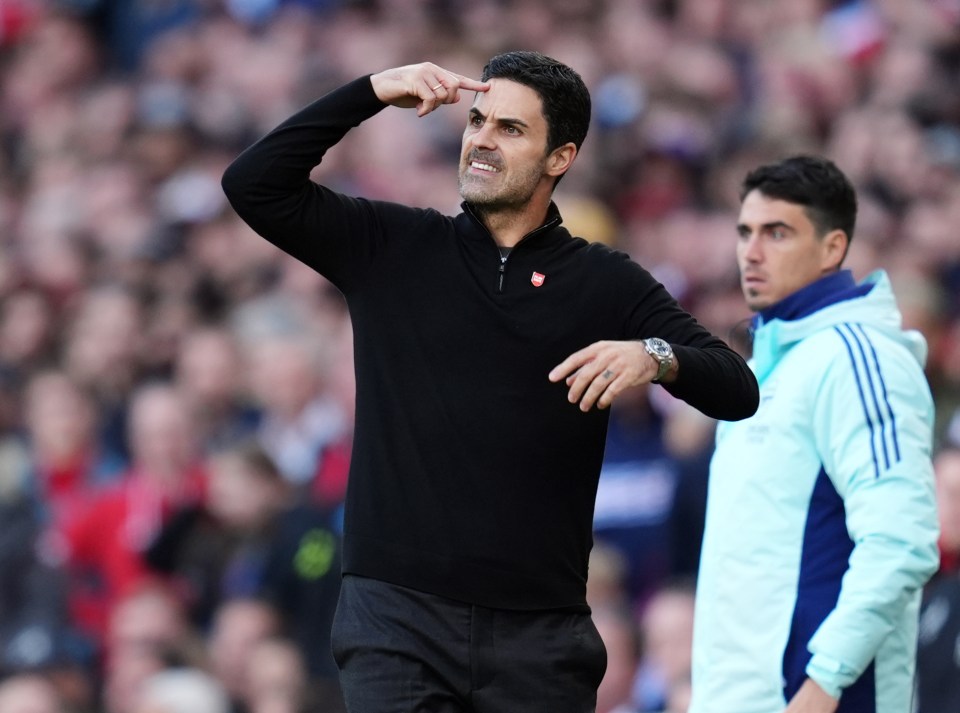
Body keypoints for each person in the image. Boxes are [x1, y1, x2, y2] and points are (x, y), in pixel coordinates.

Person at [222, 50, 759, 713]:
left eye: (509, 128)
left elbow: (738, 387)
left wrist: (658, 356)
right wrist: (373, 91)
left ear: (558, 157)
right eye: (476, 121)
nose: (480, 138)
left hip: (540, 635)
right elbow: (254, 184)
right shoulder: (393, 247)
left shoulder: (604, 279)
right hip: (398, 622)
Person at [689, 155, 940, 713]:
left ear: (833, 247)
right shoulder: (762, 369)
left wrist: (824, 682)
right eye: (745, 232)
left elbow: (901, 542)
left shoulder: (859, 357)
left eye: (777, 233)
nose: (751, 252)